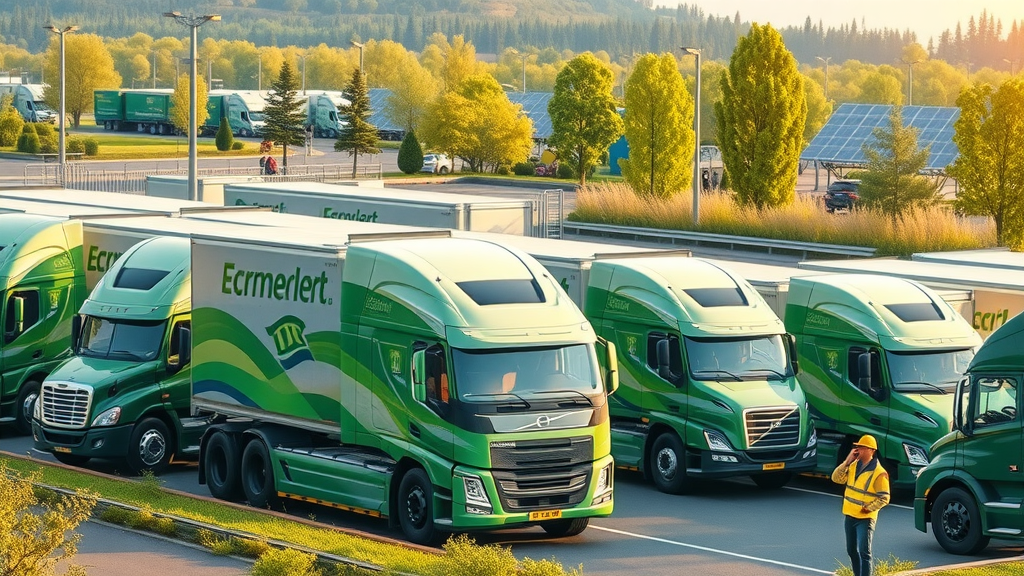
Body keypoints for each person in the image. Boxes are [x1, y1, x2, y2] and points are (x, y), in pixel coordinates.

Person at [832, 435, 890, 576]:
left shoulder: (879, 473)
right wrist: (847, 461)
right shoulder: (852, 466)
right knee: (851, 551)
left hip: (865, 518)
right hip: (850, 515)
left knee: (865, 553)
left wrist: (867, 508)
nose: (858, 450)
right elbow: (836, 478)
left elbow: (884, 497)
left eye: (861, 447)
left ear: (871, 451)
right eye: (857, 447)